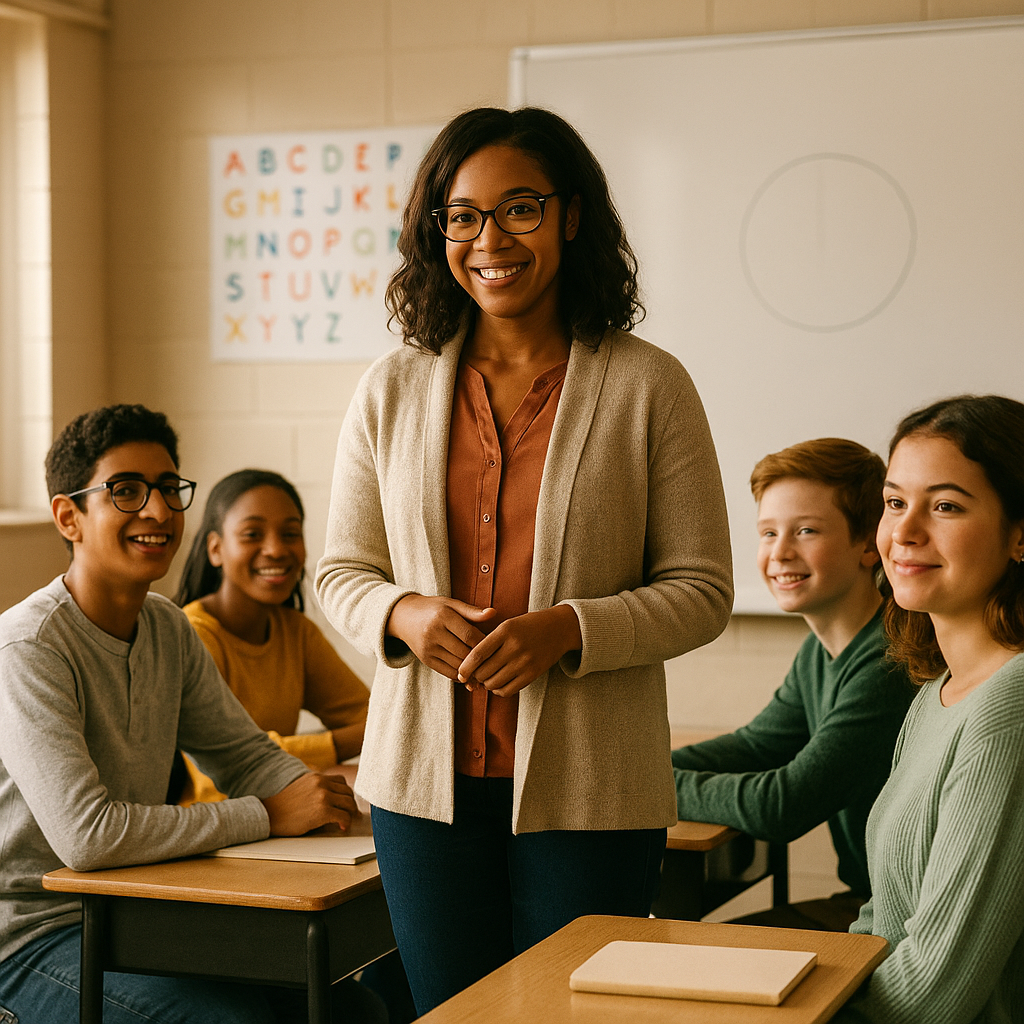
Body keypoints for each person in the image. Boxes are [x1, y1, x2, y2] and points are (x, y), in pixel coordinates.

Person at [315, 105, 734, 1014]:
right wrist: (402, 613)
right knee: (448, 1011)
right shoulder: (390, 388)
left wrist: (569, 629)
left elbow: (702, 590)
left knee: (571, 1015)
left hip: (595, 789)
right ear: (439, 231)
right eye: (461, 215)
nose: (488, 239)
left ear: (571, 217)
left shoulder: (648, 383)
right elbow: (340, 571)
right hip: (421, 798)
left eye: (520, 209)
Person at [0, 405, 385, 1024]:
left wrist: (320, 802)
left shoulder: (166, 626)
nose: (157, 511)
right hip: (28, 939)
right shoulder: (27, 647)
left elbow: (243, 754)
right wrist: (267, 813)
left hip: (135, 913)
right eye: (126, 491)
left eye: (167, 489)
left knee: (352, 1009)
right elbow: (89, 838)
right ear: (68, 516)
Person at [834, 395, 1024, 1024]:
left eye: (945, 506)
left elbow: (932, 998)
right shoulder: (936, 693)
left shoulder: (1010, 709)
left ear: (1020, 533)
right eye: (894, 502)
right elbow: (880, 916)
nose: (904, 532)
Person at [672, 439, 914, 931]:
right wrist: (640, 769)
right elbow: (758, 745)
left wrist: (650, 784)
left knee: (695, 954)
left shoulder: (890, 660)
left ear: (869, 544)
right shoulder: (821, 651)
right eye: (767, 533)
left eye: (805, 531)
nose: (780, 552)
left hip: (896, 919)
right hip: (868, 902)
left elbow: (781, 805)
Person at [174, 469, 370, 804]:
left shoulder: (295, 632)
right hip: (214, 831)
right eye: (252, 534)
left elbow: (370, 719)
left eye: (290, 534)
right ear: (216, 549)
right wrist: (339, 747)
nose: (276, 550)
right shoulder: (189, 634)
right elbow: (217, 772)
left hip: (281, 815)